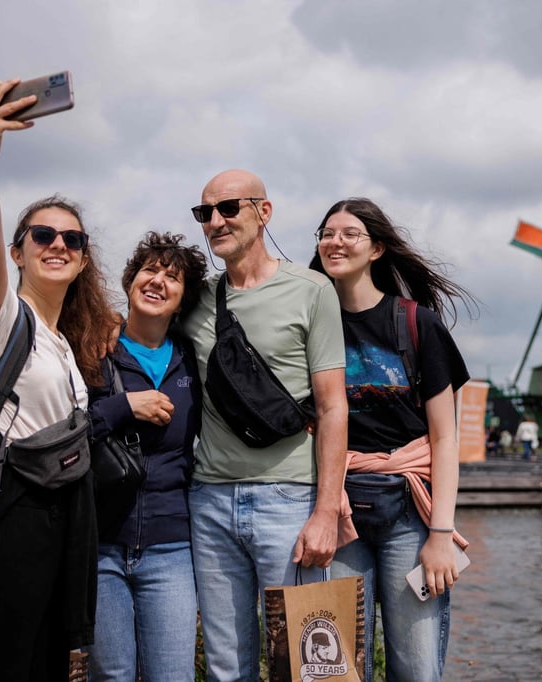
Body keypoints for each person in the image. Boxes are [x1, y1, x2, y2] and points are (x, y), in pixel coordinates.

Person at [0, 79, 115, 681]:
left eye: (72, 239)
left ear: (84, 258)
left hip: (53, 529)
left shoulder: (64, 344)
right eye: (42, 235)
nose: (58, 244)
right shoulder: (3, 319)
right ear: (19, 252)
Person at [181, 170, 349, 681]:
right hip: (210, 501)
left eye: (229, 207)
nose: (215, 221)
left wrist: (325, 511)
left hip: (290, 500)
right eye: (204, 212)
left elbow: (333, 406)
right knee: (226, 668)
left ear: (264, 212)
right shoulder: (196, 300)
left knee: (307, 664)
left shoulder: (312, 290)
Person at [310, 197, 473, 681]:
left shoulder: (417, 323)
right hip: (337, 513)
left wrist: (440, 536)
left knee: (415, 669)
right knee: (333, 670)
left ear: (377, 248)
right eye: (327, 233)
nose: (335, 241)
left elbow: (445, 439)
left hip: (407, 512)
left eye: (349, 233)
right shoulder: (308, 321)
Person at [86, 232, 207, 681]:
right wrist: (124, 406)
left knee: (171, 676)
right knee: (113, 676)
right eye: (149, 270)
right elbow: (66, 430)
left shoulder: (195, 361)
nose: (157, 281)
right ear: (131, 281)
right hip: (100, 546)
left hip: (171, 547)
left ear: (183, 298)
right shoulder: (94, 351)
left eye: (172, 277)